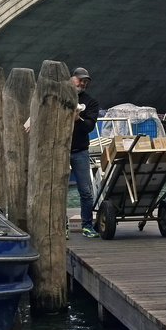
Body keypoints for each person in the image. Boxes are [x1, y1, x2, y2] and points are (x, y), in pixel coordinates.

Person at [69, 68, 101, 235]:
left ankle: (87, 225)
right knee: (57, 190)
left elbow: (89, 126)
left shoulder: (91, 101)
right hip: (60, 150)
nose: (82, 83)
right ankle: (61, 227)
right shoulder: (60, 97)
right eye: (79, 79)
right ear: (71, 78)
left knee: (85, 191)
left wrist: (78, 119)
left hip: (80, 150)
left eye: (85, 81)